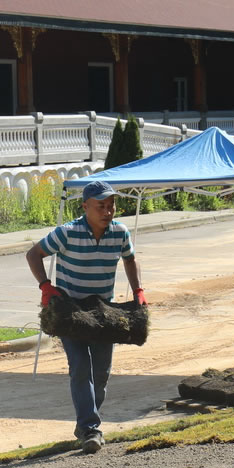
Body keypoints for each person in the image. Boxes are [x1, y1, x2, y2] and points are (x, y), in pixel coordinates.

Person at [26, 179, 146, 453]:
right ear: (85, 207)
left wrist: (138, 290)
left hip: (104, 312)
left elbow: (130, 259)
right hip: (71, 313)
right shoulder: (67, 233)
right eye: (101, 206)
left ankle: (85, 424)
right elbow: (34, 254)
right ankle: (91, 429)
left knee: (101, 373)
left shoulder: (120, 233)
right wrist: (45, 286)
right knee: (80, 367)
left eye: (111, 205)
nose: (108, 211)